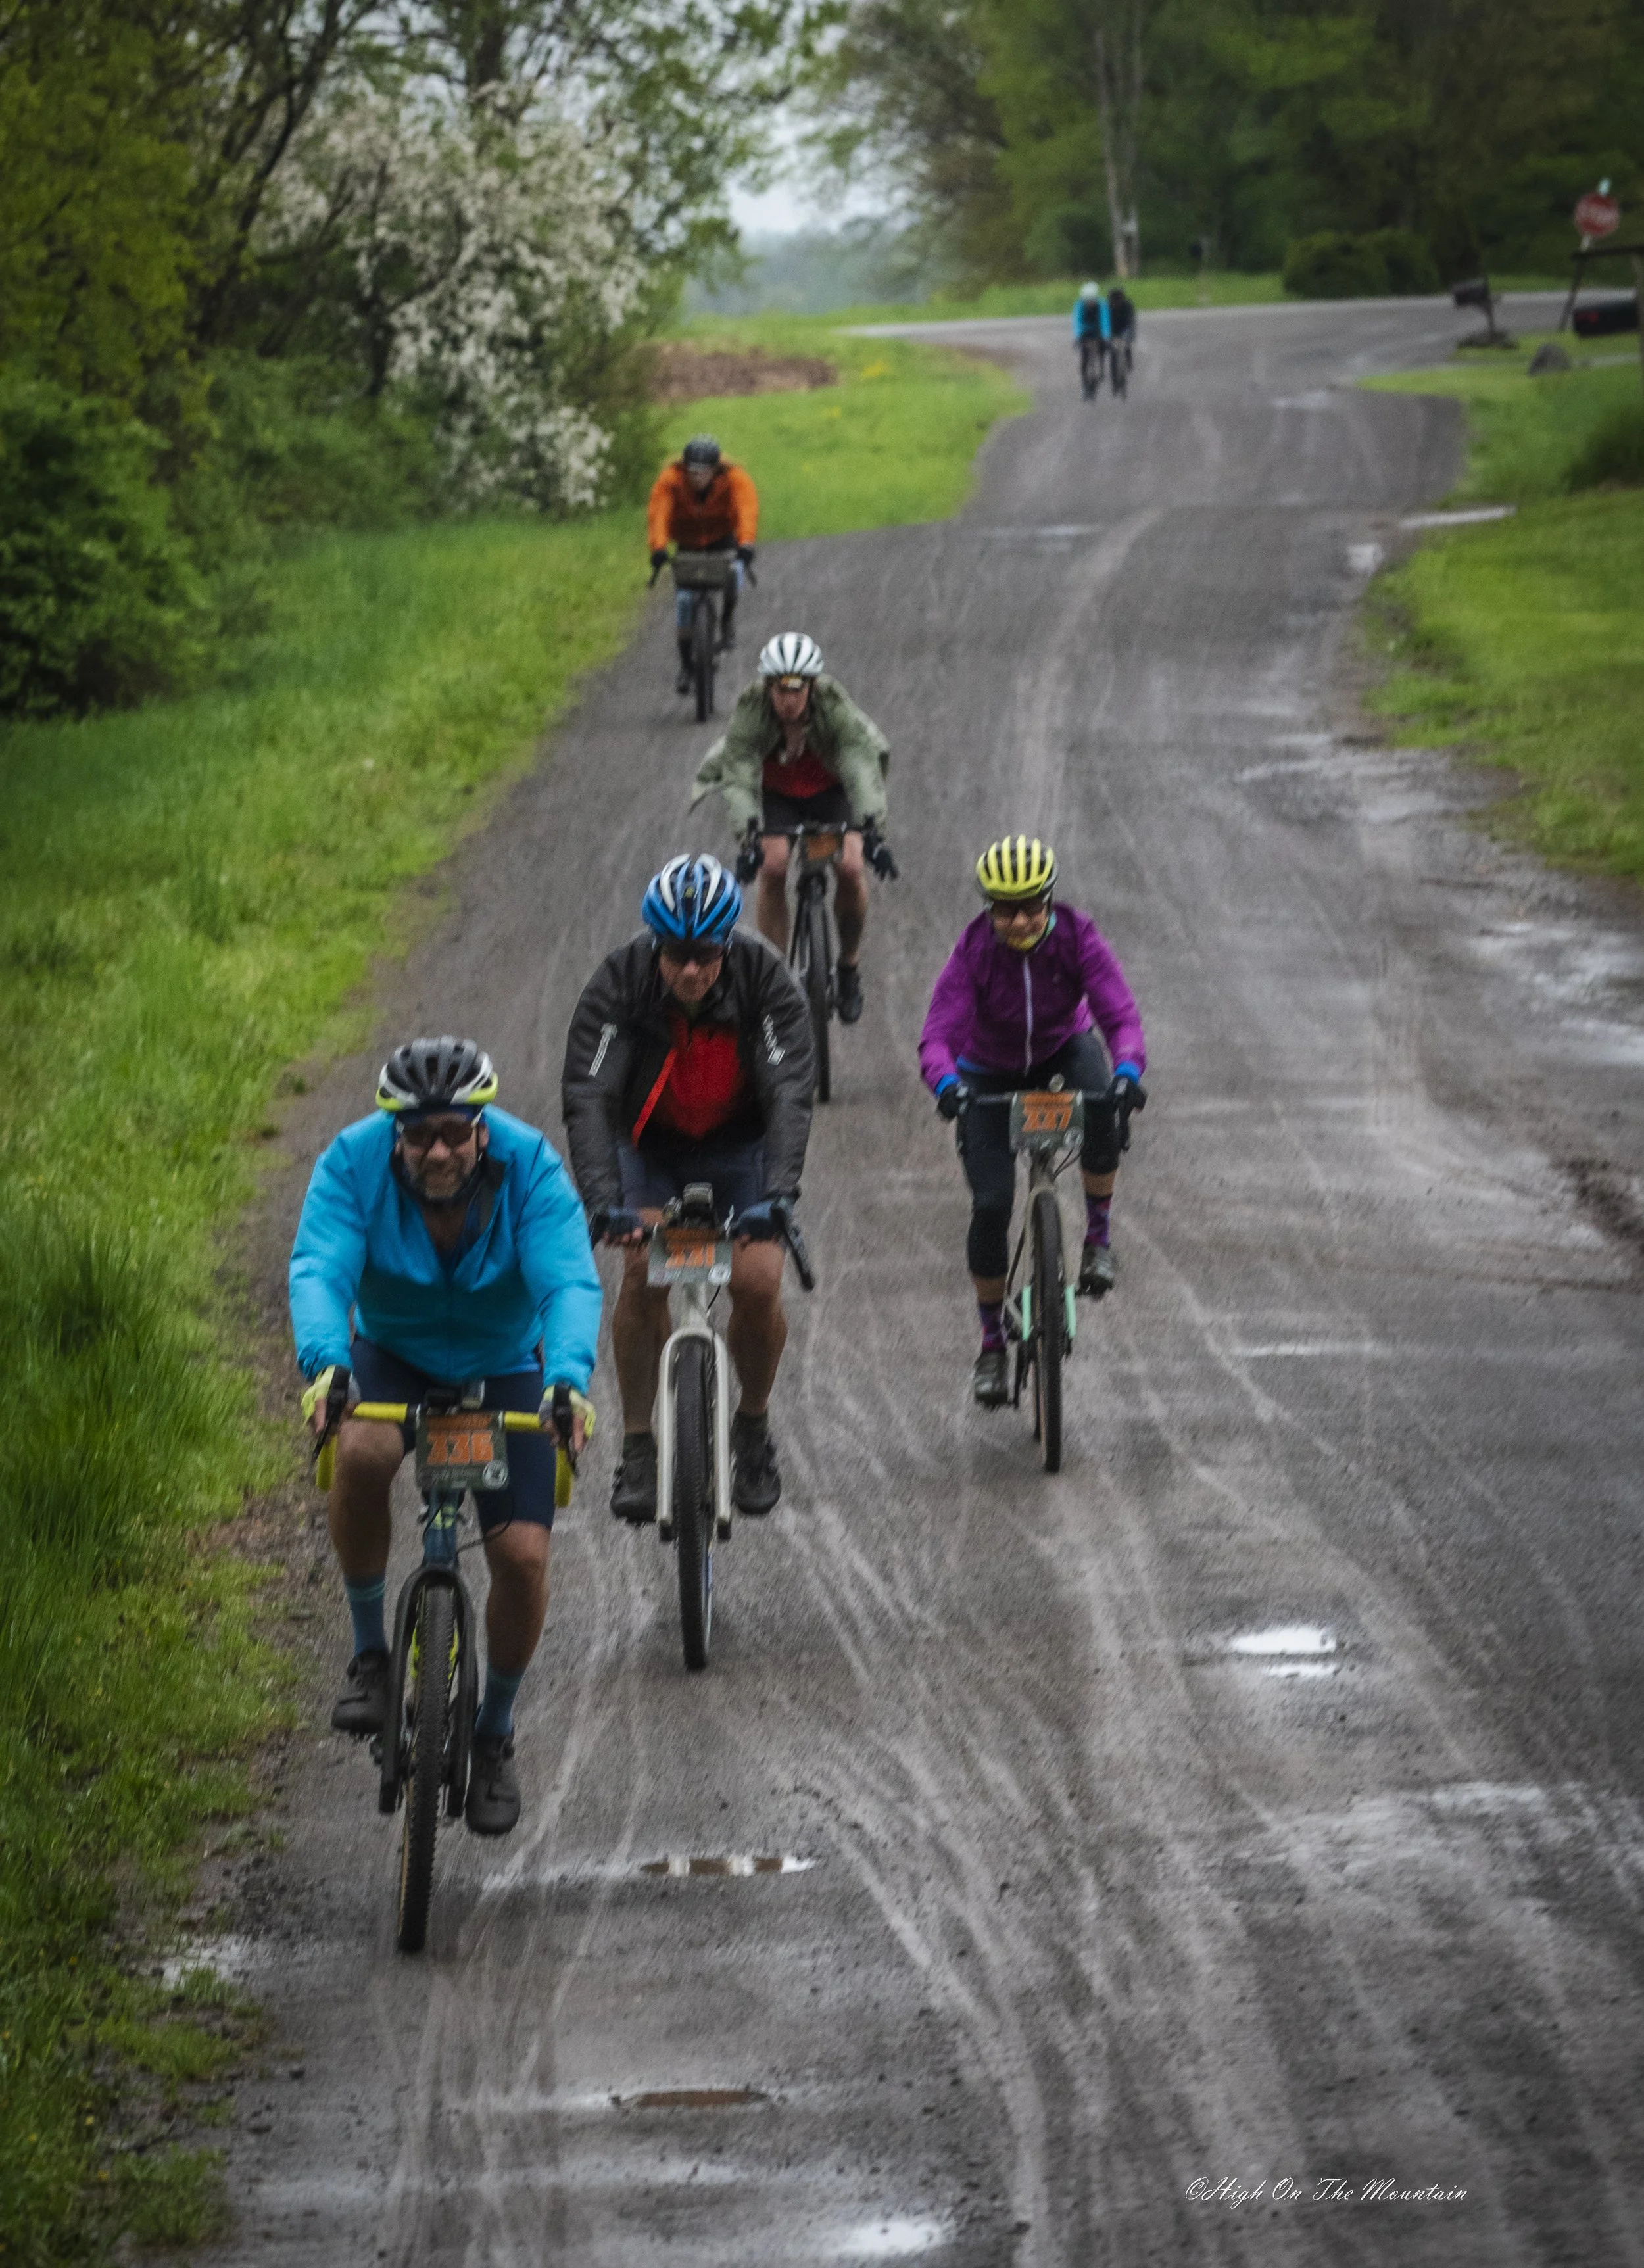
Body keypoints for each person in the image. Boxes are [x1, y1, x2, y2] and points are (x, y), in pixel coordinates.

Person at [289, 1038, 601, 1836]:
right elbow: (320, 1268)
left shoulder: (531, 1169)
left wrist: (566, 1379)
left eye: (454, 1133)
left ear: (482, 1129)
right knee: (358, 1452)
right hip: (392, 1356)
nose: (437, 1151)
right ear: (394, 1131)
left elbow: (567, 1278)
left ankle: (493, 1735)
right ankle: (371, 1658)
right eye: (419, 1133)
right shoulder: (350, 1164)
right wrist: (328, 1366)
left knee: (523, 1558)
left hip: (505, 1364)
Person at [562, 855, 814, 1523]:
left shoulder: (766, 980)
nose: (692, 971)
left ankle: (752, 1427)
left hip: (741, 1146)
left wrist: (778, 1195)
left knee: (758, 1281)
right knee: (643, 1268)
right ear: (656, 945)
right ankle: (640, 1445)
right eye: (676, 955)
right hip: (650, 1148)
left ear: (727, 944)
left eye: (705, 955)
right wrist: (602, 1203)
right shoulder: (618, 983)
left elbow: (790, 1091)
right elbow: (588, 1095)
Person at [919, 838, 1147, 1407]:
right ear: (989, 908)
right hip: (988, 1072)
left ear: (1049, 900)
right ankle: (992, 1345)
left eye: (1031, 906)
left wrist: (1126, 1071)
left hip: (1060, 1051)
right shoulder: (974, 950)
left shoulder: (1077, 936)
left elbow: (1119, 1016)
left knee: (1101, 1103)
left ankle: (1097, 1238)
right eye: (1005, 908)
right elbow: (937, 1036)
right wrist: (947, 1085)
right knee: (992, 1203)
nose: (1019, 920)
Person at [691, 630, 897, 1025]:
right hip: (777, 794)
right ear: (767, 686)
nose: (788, 700)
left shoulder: (834, 705)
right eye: (779, 689)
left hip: (831, 790)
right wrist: (749, 835)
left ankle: (849, 967)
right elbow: (737, 771)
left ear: (812, 686)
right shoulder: (751, 708)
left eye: (796, 689)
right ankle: (776, 978)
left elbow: (858, 762)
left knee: (852, 867)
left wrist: (872, 829)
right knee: (774, 866)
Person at [648, 433, 759, 692]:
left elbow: (747, 510)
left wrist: (746, 544)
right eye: (692, 472)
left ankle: (727, 619)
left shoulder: (734, 479)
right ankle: (687, 666)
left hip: (722, 539)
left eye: (704, 472)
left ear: (715, 469)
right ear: (684, 468)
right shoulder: (670, 481)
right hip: (687, 544)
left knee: (734, 575)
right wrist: (659, 548)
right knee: (685, 602)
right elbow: (659, 514)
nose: (697, 478)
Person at [1072, 281, 1110, 391]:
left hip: (1098, 331)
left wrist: (1106, 336)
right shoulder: (1079, 305)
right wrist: (1077, 337)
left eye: (1092, 299)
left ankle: (1101, 366)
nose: (1090, 302)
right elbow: (1077, 322)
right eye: (1087, 300)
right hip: (1085, 331)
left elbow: (1105, 321)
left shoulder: (1102, 304)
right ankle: (1084, 379)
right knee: (1085, 356)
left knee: (1103, 347)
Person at [1106, 282, 1136, 372]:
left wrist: (1131, 334)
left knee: (1126, 345)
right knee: (1112, 349)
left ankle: (1128, 360)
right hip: (1112, 329)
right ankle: (1115, 367)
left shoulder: (1127, 305)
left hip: (1124, 328)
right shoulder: (1107, 306)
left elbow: (1131, 321)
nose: (1116, 302)